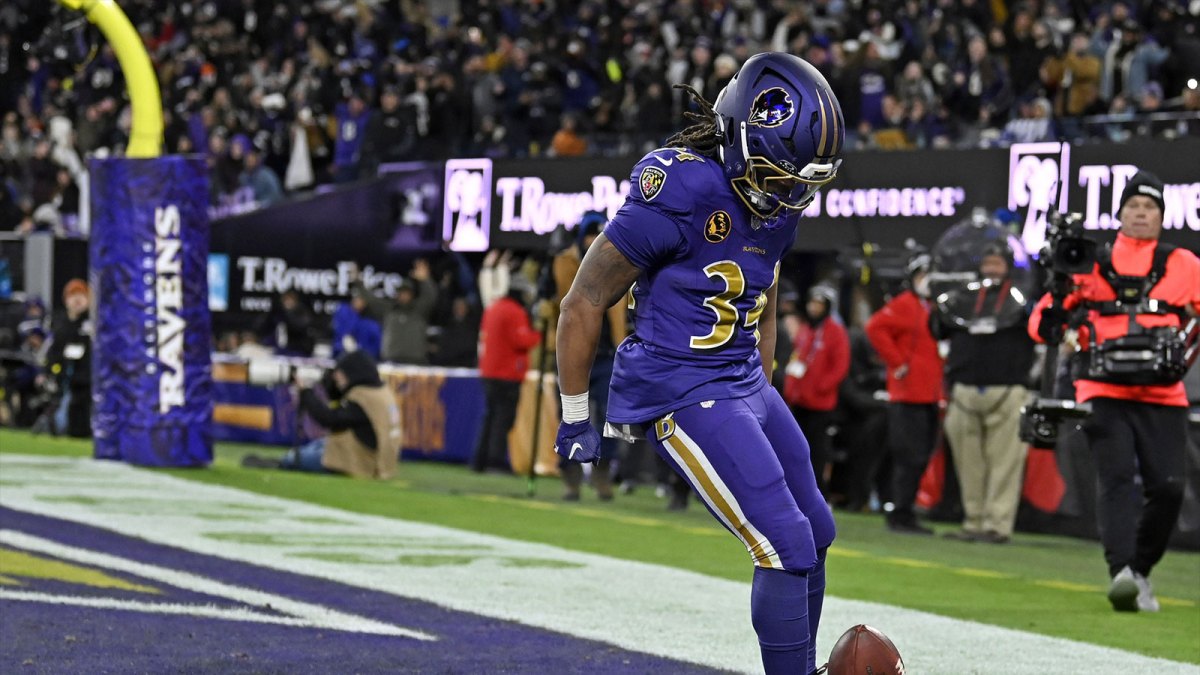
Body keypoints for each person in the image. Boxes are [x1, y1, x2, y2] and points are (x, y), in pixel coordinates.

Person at [554, 53, 844, 675]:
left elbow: (763, 286)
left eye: (802, 182)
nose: (790, 194)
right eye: (780, 175)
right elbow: (583, 300)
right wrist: (577, 411)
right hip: (681, 387)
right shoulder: (684, 188)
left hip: (739, 378)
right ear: (740, 138)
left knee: (818, 531)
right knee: (783, 543)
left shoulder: (778, 199)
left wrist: (762, 377)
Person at [1029, 170, 1200, 612]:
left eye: (1150, 207)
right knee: (1117, 477)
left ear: (1162, 216)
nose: (1141, 214)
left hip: (1164, 393)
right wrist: (1059, 285)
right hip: (1102, 388)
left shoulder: (1184, 263)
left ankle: (1139, 570)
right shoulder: (1089, 260)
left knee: (1169, 487)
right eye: (1133, 207)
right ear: (1120, 213)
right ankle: (1120, 571)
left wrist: (1184, 351)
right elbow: (1042, 326)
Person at [931, 242, 1035, 544]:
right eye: (987, 263)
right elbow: (938, 329)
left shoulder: (1020, 300)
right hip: (964, 391)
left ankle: (997, 526)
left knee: (1005, 464)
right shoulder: (964, 297)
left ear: (1008, 267)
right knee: (968, 463)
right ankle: (973, 521)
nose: (991, 269)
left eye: (997, 264)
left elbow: (1037, 327)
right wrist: (938, 302)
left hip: (1007, 390)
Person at [865, 251, 944, 535]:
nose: (928, 281)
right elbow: (875, 327)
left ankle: (905, 511)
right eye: (923, 275)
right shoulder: (905, 305)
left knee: (920, 456)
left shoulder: (932, 307)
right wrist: (897, 362)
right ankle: (899, 512)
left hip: (928, 394)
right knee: (909, 456)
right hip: (908, 395)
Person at [553, 210, 628, 501]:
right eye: (588, 235)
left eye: (597, 235)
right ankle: (570, 477)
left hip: (607, 352)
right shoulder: (564, 262)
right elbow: (562, 300)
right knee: (572, 416)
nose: (592, 240)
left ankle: (601, 473)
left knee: (611, 418)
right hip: (575, 353)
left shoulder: (618, 261)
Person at [241, 350, 401, 479]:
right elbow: (344, 417)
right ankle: (286, 459)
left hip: (362, 462)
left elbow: (328, 419)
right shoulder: (380, 392)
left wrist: (306, 393)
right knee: (320, 445)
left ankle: (284, 462)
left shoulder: (364, 400)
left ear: (353, 373)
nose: (339, 379)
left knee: (301, 457)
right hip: (378, 457)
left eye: (341, 375)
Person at [783, 284, 850, 496]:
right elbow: (797, 358)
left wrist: (822, 387)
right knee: (796, 448)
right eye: (812, 303)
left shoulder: (835, 331)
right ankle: (796, 490)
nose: (814, 308)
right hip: (799, 400)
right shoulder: (806, 329)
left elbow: (840, 366)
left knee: (817, 450)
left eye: (819, 304)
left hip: (820, 404)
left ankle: (818, 492)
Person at [472, 275, 541, 473]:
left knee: (490, 417)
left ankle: (479, 459)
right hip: (506, 373)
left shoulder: (494, 307)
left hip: (489, 370)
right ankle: (495, 460)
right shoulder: (514, 311)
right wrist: (539, 334)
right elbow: (522, 341)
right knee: (503, 419)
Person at [353, 260, 438, 365]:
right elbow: (371, 299)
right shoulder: (388, 310)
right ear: (397, 294)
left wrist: (426, 280)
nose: (404, 295)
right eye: (401, 292)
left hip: (416, 362)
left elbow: (431, 297)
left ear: (412, 295)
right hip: (392, 361)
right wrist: (357, 281)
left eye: (407, 293)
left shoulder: (419, 310)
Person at [43, 279, 93, 438]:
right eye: (73, 295)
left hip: (87, 381)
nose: (77, 299)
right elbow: (52, 352)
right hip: (65, 380)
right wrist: (50, 372)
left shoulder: (93, 324)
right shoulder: (60, 324)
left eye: (82, 295)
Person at [331, 287, 383, 360]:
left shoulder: (370, 322)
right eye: (356, 298)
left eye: (361, 300)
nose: (357, 302)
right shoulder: (343, 312)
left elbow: (376, 345)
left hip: (363, 358)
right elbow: (340, 335)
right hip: (341, 355)